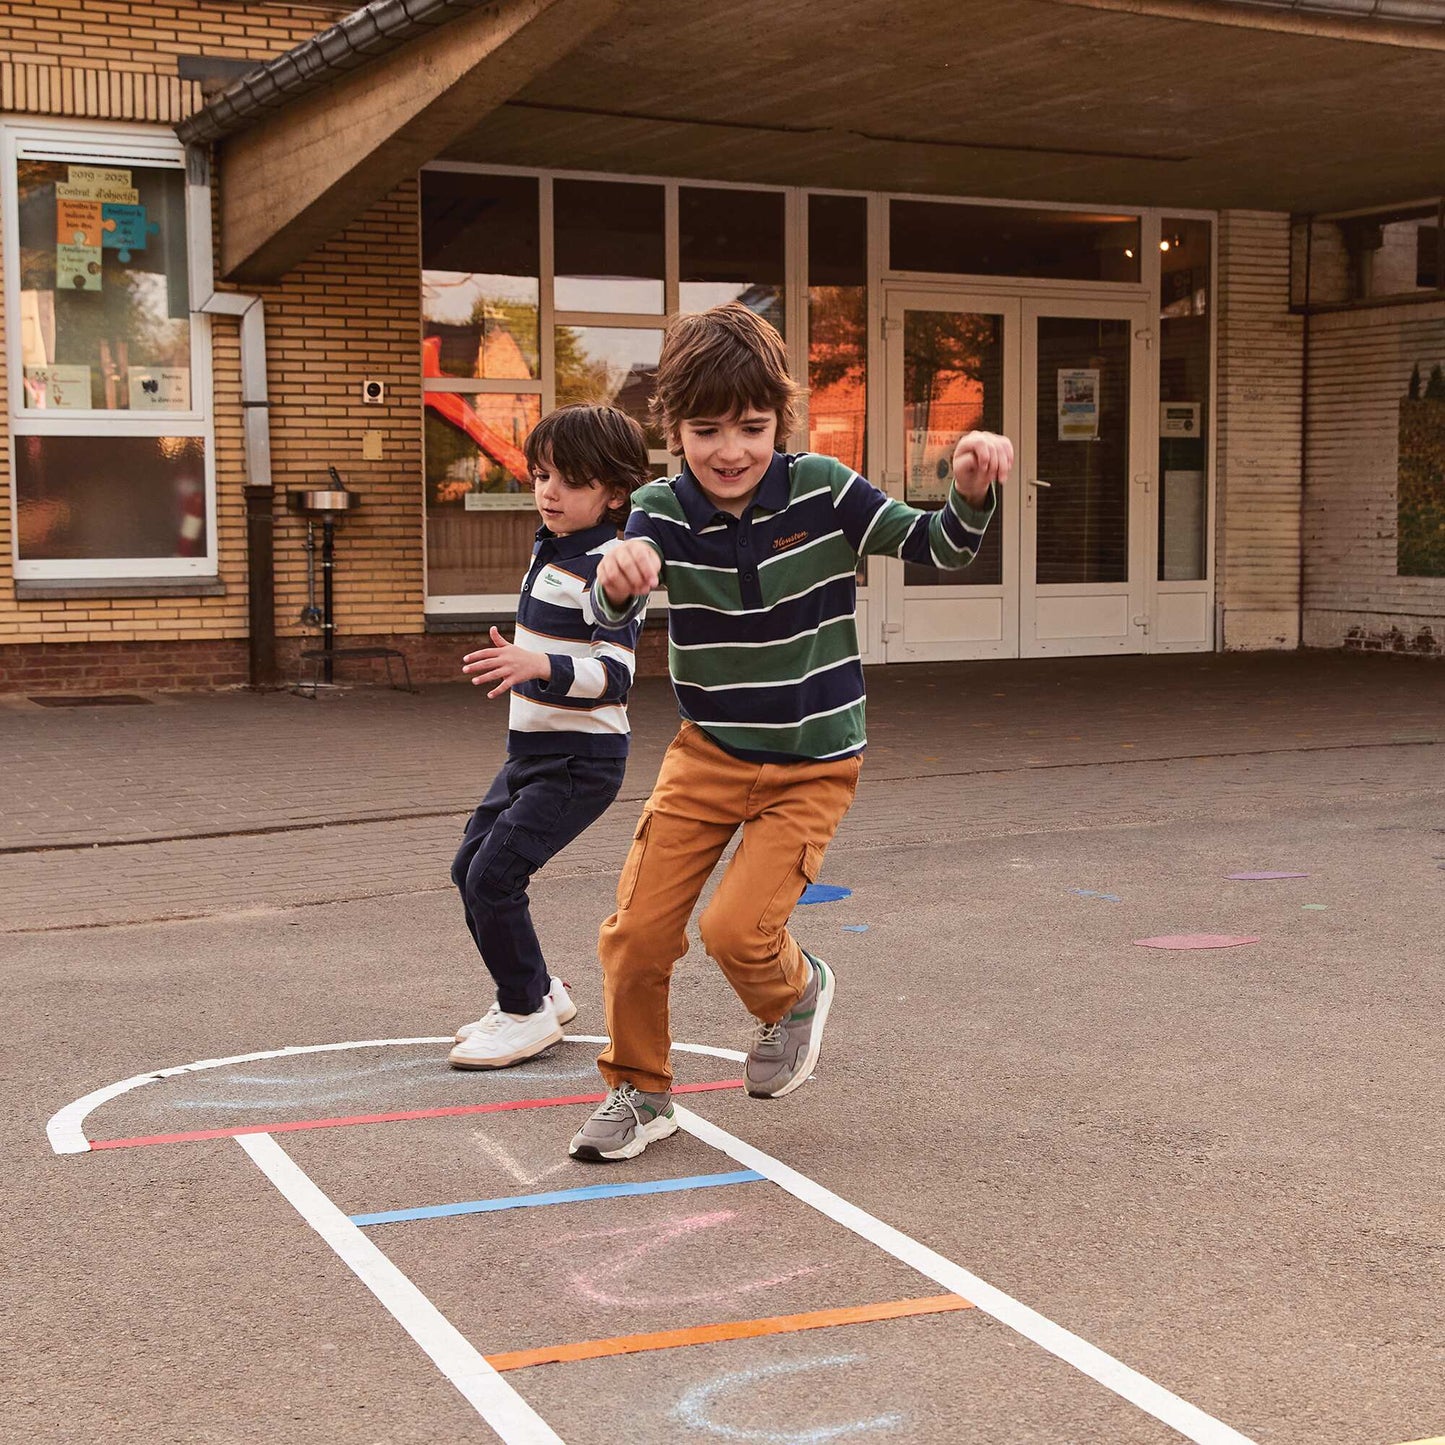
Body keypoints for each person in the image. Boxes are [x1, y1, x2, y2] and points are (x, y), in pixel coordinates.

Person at [567, 302, 1013, 1160]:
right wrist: (619, 581)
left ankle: (794, 996)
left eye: (751, 427)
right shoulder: (659, 509)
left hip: (811, 764)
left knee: (737, 930)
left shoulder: (824, 490)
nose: (729, 450)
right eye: (706, 430)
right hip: (707, 755)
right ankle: (639, 1091)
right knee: (637, 934)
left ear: (780, 421)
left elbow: (937, 547)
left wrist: (966, 490)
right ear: (673, 430)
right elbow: (609, 609)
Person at [448, 403, 650, 1070]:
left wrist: (539, 665)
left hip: (579, 761)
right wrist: (529, 660)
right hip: (530, 754)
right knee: (467, 869)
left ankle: (524, 1012)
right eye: (540, 475)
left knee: (493, 877)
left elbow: (615, 674)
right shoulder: (552, 546)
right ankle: (540, 991)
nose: (548, 492)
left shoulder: (611, 564)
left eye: (570, 480)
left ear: (614, 492)